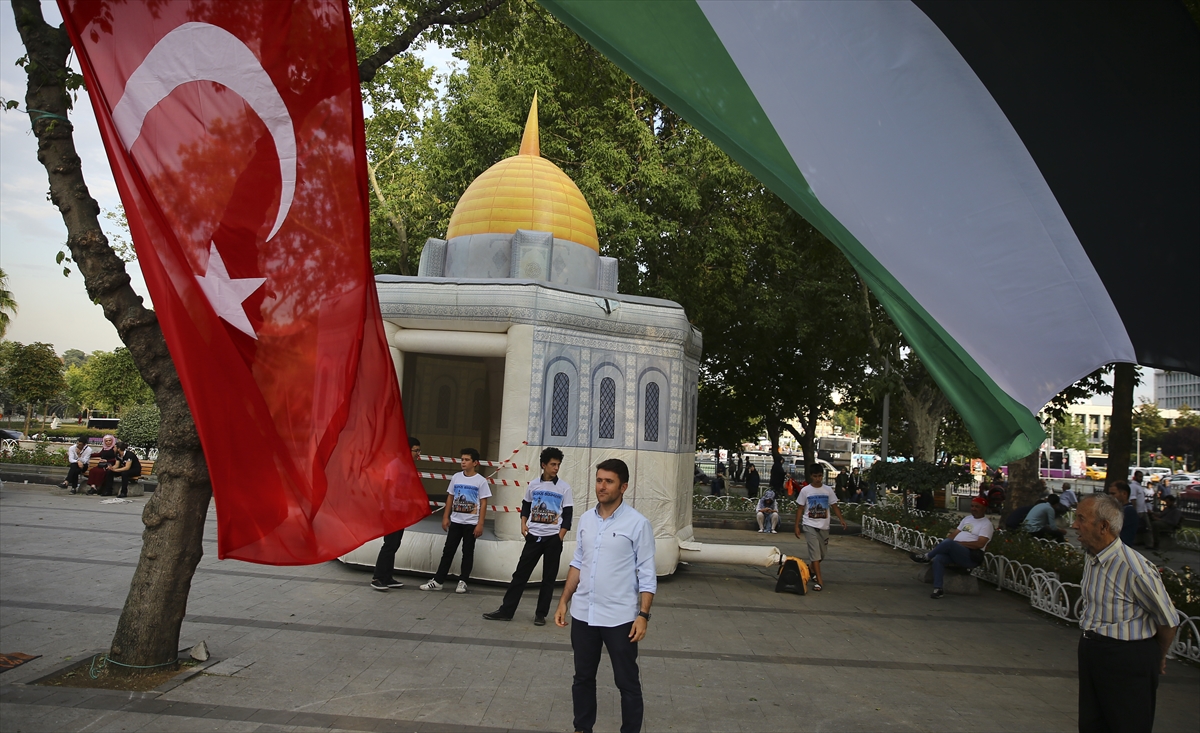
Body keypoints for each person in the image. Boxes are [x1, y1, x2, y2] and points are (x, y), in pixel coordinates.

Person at [555, 458, 655, 733]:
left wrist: (643, 615)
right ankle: (582, 728)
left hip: (620, 618)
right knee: (583, 678)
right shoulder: (586, 519)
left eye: (608, 481)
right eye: (599, 480)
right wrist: (564, 601)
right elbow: (578, 563)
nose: (602, 486)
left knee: (627, 682)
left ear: (623, 486)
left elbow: (647, 573)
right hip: (584, 614)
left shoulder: (638, 524)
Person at [1072, 494, 1177, 733]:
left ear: (1103, 526)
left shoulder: (1133, 567)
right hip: (1093, 651)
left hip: (1127, 657)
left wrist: (1156, 656)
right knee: (1092, 723)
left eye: (1081, 519)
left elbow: (1168, 620)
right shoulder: (1092, 556)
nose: (1074, 525)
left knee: (1127, 724)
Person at [484, 447, 573, 625]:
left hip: (553, 539)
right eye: (553, 464)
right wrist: (523, 523)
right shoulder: (533, 485)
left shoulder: (564, 487)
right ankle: (506, 610)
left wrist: (559, 537)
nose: (556, 468)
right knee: (520, 575)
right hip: (534, 537)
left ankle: (541, 614)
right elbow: (526, 505)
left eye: (558, 465)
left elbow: (568, 514)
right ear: (543, 465)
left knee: (548, 578)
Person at [421, 448, 490, 593]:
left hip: (471, 523)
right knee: (448, 550)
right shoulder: (456, 477)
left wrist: (480, 523)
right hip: (456, 521)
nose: (463, 462)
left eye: (466, 460)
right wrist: (446, 517)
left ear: (475, 463)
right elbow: (450, 497)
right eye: (462, 459)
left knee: (468, 551)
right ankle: (439, 580)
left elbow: (484, 502)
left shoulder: (481, 481)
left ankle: (463, 580)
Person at [910, 497, 994, 599]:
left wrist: (957, 544)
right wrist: (945, 545)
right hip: (955, 552)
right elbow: (953, 535)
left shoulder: (986, 524)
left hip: (970, 556)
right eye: (972, 506)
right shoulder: (967, 519)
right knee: (939, 558)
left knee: (949, 543)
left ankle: (927, 556)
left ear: (984, 508)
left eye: (977, 507)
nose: (974, 508)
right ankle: (938, 589)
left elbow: (980, 544)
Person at [370, 437, 422, 591]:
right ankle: (378, 577)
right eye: (416, 450)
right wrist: (384, 509)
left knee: (395, 544)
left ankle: (387, 576)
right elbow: (386, 487)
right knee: (389, 544)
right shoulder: (395, 465)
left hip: (401, 510)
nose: (418, 454)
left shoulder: (407, 466)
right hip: (391, 510)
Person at [793, 466, 846, 592]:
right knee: (815, 554)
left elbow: (834, 505)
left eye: (820, 476)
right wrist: (796, 526)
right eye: (815, 476)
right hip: (809, 524)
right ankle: (819, 581)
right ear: (811, 476)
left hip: (824, 526)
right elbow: (800, 508)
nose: (818, 479)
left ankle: (811, 569)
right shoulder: (806, 490)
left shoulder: (827, 490)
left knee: (821, 554)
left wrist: (841, 519)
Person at [1106, 481, 1140, 547]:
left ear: (1124, 494)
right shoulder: (1120, 509)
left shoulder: (1129, 511)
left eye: (1113, 494)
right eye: (1109, 494)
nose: (1110, 497)